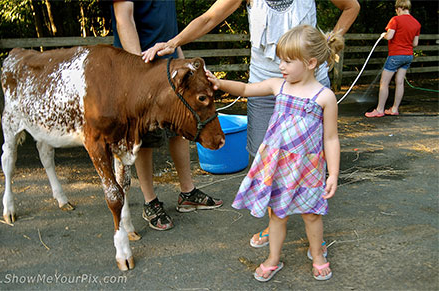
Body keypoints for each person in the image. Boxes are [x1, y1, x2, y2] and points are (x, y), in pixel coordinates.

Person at [141, 0, 359, 246]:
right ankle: (275, 223)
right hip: (265, 85)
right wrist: (172, 43)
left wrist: (326, 47)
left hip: (310, 89)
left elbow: (352, 6)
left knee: (310, 159)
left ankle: (313, 228)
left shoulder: (324, 96)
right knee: (264, 158)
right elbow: (209, 18)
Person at [207, 24, 343, 281]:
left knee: (312, 215)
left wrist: (333, 174)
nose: (281, 65)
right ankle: (272, 258)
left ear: (311, 62)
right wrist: (219, 82)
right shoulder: (278, 86)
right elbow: (246, 90)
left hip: (308, 169)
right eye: (280, 59)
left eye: (288, 61)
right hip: (277, 165)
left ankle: (317, 254)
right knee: (276, 213)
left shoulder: (325, 97)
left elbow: (331, 138)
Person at [111, 0, 223, 232]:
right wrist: (138, 71)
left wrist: (183, 63)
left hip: (170, 64)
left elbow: (171, 31)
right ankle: (150, 201)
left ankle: (187, 192)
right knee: (145, 136)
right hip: (140, 66)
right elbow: (124, 19)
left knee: (180, 128)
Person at [365, 0, 420, 118]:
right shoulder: (416, 23)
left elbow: (390, 36)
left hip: (396, 55)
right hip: (408, 56)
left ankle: (380, 110)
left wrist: (383, 35)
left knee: (384, 83)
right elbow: (415, 43)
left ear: (399, 8)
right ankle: (394, 109)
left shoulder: (395, 20)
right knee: (400, 82)